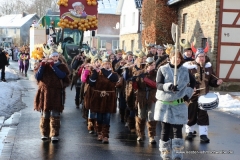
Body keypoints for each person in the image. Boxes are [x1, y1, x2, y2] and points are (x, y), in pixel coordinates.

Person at [154, 51, 195, 160]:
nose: (176, 59)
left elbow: (193, 82)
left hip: (179, 104)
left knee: (177, 130)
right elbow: (158, 84)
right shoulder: (162, 69)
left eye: (178, 58)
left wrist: (187, 95)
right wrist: (169, 86)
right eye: (174, 57)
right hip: (165, 104)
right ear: (170, 58)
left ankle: (177, 155)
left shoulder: (185, 70)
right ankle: (165, 154)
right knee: (165, 130)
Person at [183, 45, 223, 143]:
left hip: (204, 96)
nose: (201, 58)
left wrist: (216, 82)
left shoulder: (208, 68)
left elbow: (212, 79)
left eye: (203, 56)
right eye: (200, 56)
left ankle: (203, 134)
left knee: (203, 115)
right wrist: (190, 87)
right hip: (192, 96)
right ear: (195, 57)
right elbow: (184, 80)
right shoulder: (189, 67)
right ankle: (189, 132)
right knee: (190, 114)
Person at [34, 49, 70, 142]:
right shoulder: (43, 65)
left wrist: (53, 66)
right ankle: (45, 133)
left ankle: (54, 134)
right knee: (45, 113)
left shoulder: (61, 66)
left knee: (55, 113)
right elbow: (38, 76)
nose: (54, 58)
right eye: (53, 56)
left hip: (56, 93)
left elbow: (62, 75)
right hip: (45, 93)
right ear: (49, 56)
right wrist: (42, 65)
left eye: (56, 56)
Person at [88, 56, 119, 143]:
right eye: (105, 64)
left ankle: (106, 135)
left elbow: (113, 79)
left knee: (107, 116)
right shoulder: (98, 74)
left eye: (108, 64)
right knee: (99, 116)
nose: (107, 65)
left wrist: (102, 69)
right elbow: (91, 83)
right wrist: (94, 71)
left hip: (109, 98)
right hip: (98, 98)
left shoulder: (114, 74)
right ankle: (99, 133)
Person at [133, 56, 158, 143]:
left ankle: (151, 136)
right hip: (141, 97)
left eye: (154, 65)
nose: (153, 66)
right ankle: (140, 134)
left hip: (152, 97)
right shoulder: (140, 72)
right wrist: (134, 81)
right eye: (152, 65)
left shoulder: (156, 73)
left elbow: (155, 85)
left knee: (151, 116)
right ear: (147, 65)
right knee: (141, 115)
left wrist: (145, 79)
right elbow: (136, 87)